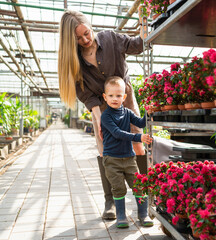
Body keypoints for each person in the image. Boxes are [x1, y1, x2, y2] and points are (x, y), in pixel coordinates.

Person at [58, 9, 147, 219]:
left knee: (137, 144)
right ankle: (111, 201)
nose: (85, 40)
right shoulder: (74, 58)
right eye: (78, 38)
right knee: (105, 149)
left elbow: (139, 45)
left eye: (86, 33)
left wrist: (144, 23)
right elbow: (83, 91)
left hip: (124, 98)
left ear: (90, 26)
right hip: (100, 104)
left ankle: (144, 195)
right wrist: (98, 117)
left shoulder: (111, 38)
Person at [101, 76, 153, 228]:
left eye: (118, 95)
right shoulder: (106, 116)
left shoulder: (128, 112)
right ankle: (121, 216)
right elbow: (117, 133)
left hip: (129, 158)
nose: (114, 99)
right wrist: (139, 137)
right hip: (112, 159)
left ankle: (143, 215)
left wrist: (147, 112)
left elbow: (141, 123)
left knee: (138, 185)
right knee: (118, 188)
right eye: (111, 95)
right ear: (105, 97)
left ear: (124, 97)